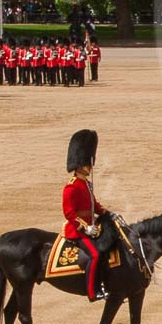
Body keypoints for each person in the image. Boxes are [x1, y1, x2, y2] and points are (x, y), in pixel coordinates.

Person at [61, 129, 110, 302]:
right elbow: (69, 213)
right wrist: (85, 227)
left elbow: (93, 205)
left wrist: (107, 213)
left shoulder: (86, 184)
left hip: (92, 227)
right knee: (95, 255)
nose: (91, 166)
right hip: (77, 232)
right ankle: (92, 291)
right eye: (88, 163)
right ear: (80, 164)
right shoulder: (72, 186)